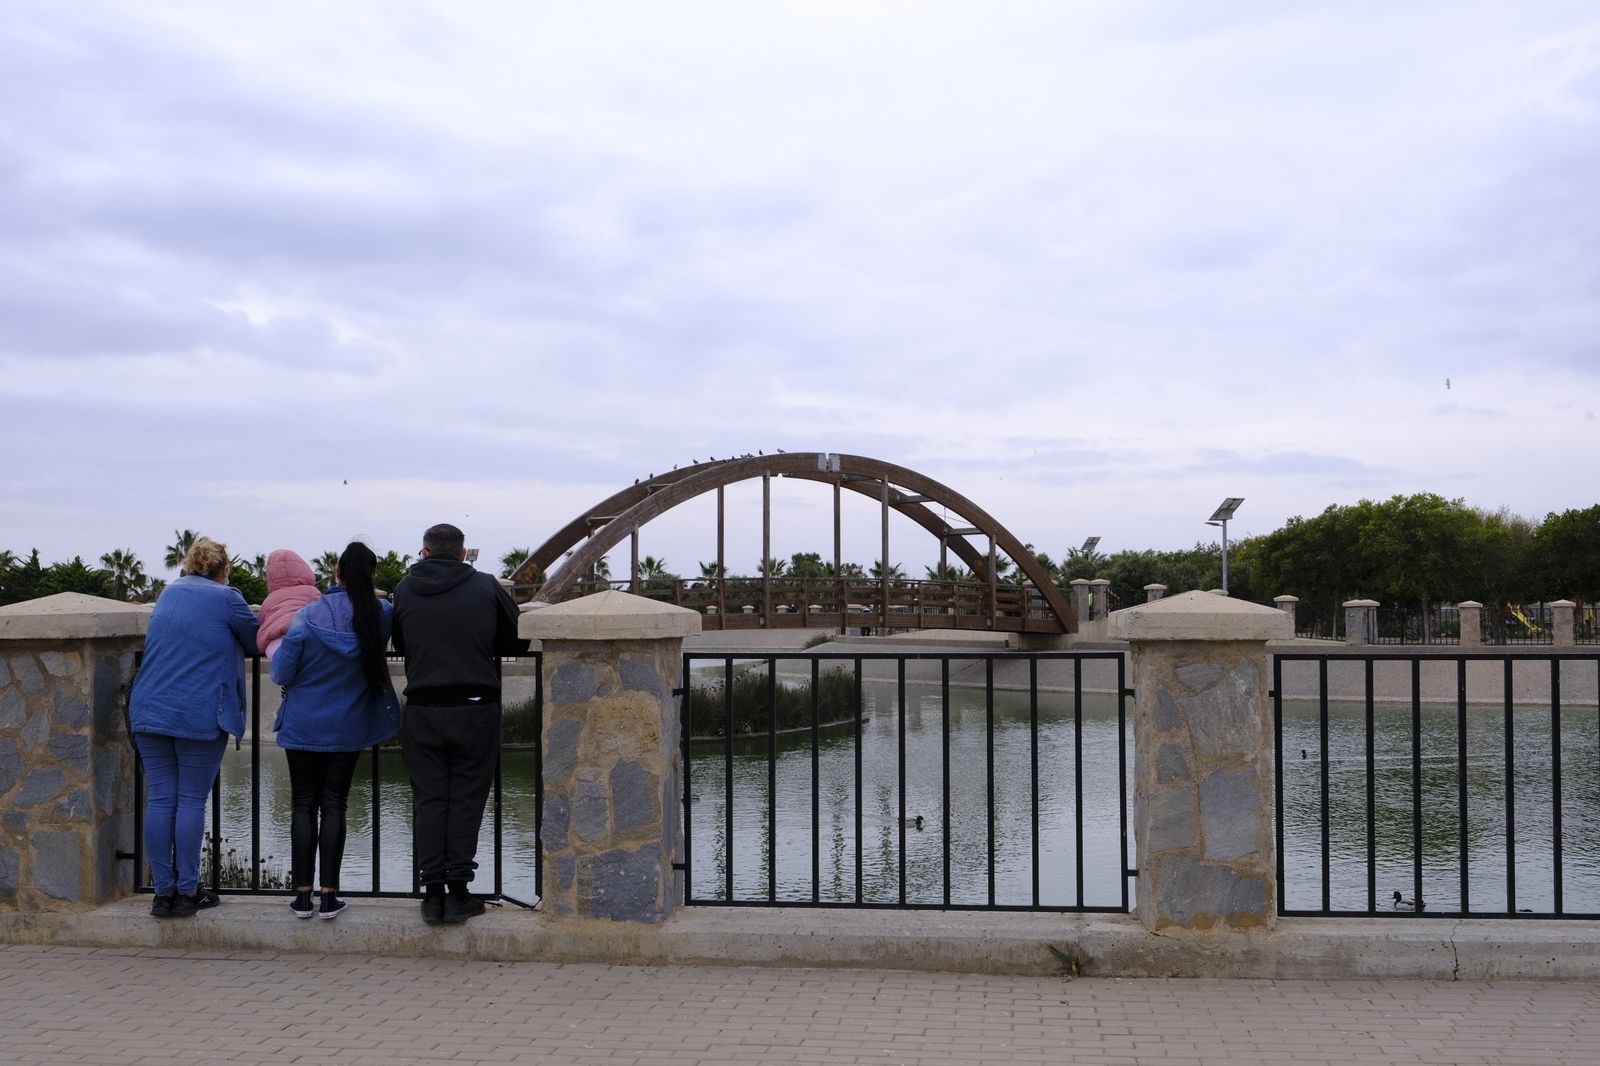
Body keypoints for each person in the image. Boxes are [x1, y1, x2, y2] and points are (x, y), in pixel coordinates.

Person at [391, 523, 522, 925]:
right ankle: (459, 893)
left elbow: (399, 642)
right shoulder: (485, 586)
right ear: (463, 553)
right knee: (466, 801)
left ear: (425, 552)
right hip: (475, 707)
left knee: (430, 801)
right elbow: (518, 639)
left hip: (423, 709)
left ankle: (432, 896)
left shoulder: (404, 589)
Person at [128, 537, 258, 918]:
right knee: (190, 800)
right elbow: (254, 640)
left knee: (162, 799)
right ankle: (188, 891)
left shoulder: (168, 594)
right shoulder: (227, 597)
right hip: (198, 712)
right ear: (223, 569)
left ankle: (162, 892)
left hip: (149, 708)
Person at [270, 542, 401, 920]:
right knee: (335, 805)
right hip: (348, 724)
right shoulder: (382, 614)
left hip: (303, 725)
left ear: (337, 572)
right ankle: (329, 896)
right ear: (373, 574)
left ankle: (301, 896)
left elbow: (281, 672)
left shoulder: (307, 617)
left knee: (303, 805)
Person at [256, 548, 321, 660]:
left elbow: (262, 620)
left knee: (283, 671)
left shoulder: (269, 599)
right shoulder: (312, 592)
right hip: (305, 639)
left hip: (275, 644)